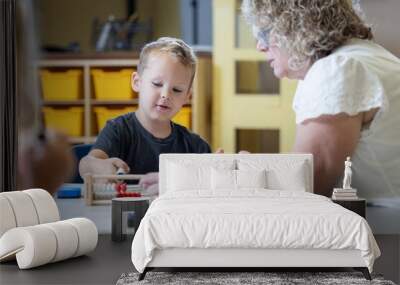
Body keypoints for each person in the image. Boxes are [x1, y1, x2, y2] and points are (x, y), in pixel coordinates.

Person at [241, 0, 400, 200]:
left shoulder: (336, 69)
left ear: (293, 27)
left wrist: (247, 175)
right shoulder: (364, 56)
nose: (259, 46)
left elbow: (306, 186)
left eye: (263, 33)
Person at [79, 37, 211, 194]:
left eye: (177, 90)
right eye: (157, 84)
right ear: (137, 82)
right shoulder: (118, 130)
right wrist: (99, 167)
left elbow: (211, 183)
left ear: (187, 96)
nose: (165, 95)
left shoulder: (196, 146)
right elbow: (86, 164)